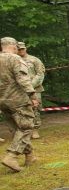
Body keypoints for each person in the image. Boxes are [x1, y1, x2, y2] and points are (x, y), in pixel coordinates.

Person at [0, 37, 39, 172]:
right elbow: (23, 79)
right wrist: (33, 95)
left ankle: (30, 156)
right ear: (14, 46)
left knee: (18, 129)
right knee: (26, 127)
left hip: (2, 102)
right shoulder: (15, 59)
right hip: (17, 100)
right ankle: (11, 156)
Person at [16, 42, 45, 140]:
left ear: (25, 49)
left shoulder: (34, 60)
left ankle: (35, 130)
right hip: (19, 91)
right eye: (19, 49)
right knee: (20, 111)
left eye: (22, 49)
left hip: (35, 89)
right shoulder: (14, 61)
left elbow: (40, 74)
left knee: (35, 109)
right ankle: (23, 131)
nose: (21, 51)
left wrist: (29, 86)